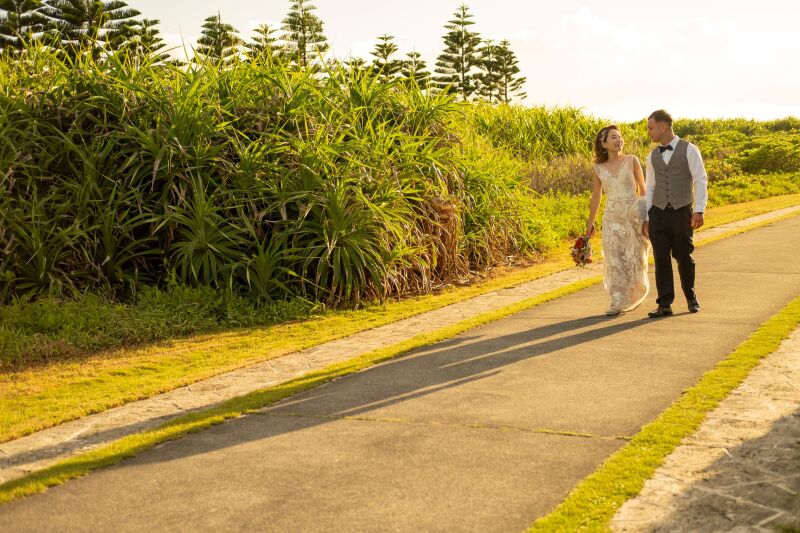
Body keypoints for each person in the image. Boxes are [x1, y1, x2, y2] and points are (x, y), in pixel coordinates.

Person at [642, 109, 708, 318]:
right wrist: (647, 217)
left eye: (651, 128)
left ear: (663, 126)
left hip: (682, 213)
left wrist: (699, 210)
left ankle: (691, 296)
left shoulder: (689, 149)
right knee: (661, 259)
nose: (649, 132)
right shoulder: (652, 156)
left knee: (683, 257)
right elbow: (650, 187)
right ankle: (664, 304)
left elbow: (700, 180)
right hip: (658, 214)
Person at [586, 125, 650, 316]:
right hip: (611, 218)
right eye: (613, 137)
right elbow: (596, 197)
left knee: (635, 257)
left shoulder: (632, 161)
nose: (619, 140)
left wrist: (645, 215)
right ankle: (617, 300)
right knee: (615, 260)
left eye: (620, 137)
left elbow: (643, 189)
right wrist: (590, 223)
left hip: (633, 216)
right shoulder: (598, 168)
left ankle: (633, 292)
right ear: (603, 144)